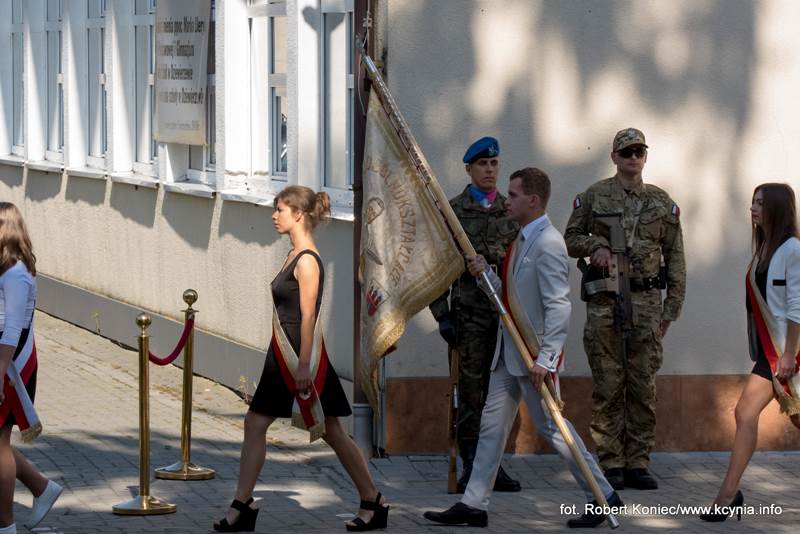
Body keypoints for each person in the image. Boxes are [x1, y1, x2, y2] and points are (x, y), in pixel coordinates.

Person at [423, 168, 620, 529]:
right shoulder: (522, 238)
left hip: (532, 356)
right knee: (491, 426)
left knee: (553, 429)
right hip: (509, 353)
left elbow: (559, 306)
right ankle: (474, 503)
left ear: (533, 200)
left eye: (513, 195)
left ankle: (603, 494)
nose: (506, 199)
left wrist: (545, 359)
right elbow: (512, 296)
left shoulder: (548, 243)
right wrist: (486, 275)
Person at [214, 187, 388, 532]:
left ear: (299, 214)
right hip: (282, 354)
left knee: (333, 431)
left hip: (299, 357)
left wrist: (305, 364)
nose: (274, 215)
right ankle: (242, 503)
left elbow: (308, 316)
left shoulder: (307, 260)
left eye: (280, 209)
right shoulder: (292, 254)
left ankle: (373, 500)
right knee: (257, 423)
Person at [564, 128, 686, 490]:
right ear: (614, 157)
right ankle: (611, 462)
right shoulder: (594, 196)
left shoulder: (662, 203)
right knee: (608, 383)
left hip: (647, 303)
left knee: (643, 385)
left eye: (639, 151)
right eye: (626, 151)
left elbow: (675, 257)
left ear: (645, 157)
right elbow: (571, 239)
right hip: (606, 301)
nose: (633, 157)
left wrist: (671, 309)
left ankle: (638, 462)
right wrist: (596, 244)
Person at [700, 183, 800, 522]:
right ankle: (728, 494)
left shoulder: (791, 250)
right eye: (752, 202)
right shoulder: (765, 249)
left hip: (790, 353)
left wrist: (788, 356)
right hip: (771, 355)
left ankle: (727, 494)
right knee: (744, 413)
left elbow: (797, 308)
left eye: (759, 203)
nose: (753, 209)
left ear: (776, 208)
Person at [428, 136, 520, 493]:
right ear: (469, 168)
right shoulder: (454, 211)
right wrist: (443, 316)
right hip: (469, 316)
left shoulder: (511, 211)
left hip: (507, 316)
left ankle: (494, 464)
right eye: (483, 164)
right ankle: (470, 464)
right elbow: (437, 268)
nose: (490, 170)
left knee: (504, 393)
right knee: (471, 392)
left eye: (494, 164)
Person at [0, 202, 63, 534]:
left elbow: (12, 329)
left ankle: (5, 525)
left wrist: (0, 372)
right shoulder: (7, 268)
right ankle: (41, 487)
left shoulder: (16, 273)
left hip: (11, 366)